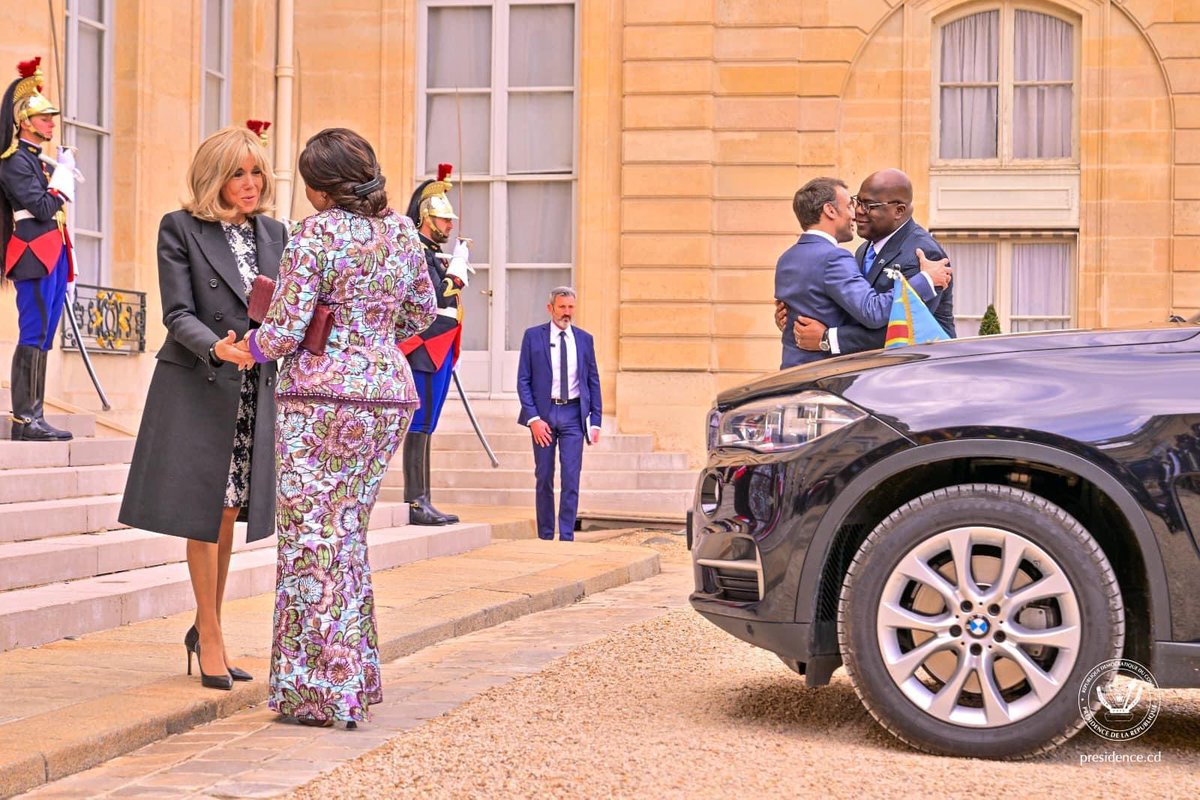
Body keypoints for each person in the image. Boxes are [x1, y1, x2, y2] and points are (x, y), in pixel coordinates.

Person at [242, 128, 436, 727]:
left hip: (322, 398)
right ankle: (354, 680)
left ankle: (321, 693)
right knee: (346, 537)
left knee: (312, 543)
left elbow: (282, 331)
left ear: (321, 188)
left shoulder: (314, 234)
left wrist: (241, 344)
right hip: (385, 394)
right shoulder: (402, 231)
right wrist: (370, 331)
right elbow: (423, 312)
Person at [119, 125, 285, 690]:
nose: (249, 183)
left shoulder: (276, 233)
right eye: (238, 172)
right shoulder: (181, 228)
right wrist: (218, 346)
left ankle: (205, 625)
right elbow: (178, 313)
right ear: (215, 176)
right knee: (204, 507)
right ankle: (210, 633)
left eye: (256, 171)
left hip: (252, 388)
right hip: (201, 382)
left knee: (228, 511)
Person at [777, 177, 951, 368]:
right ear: (830, 210)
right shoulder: (856, 252)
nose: (858, 212)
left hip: (914, 372)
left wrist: (828, 338)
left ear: (898, 211)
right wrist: (795, 316)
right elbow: (864, 310)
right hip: (830, 376)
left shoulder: (924, 253)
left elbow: (909, 327)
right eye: (855, 203)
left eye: (869, 205)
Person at [0, 57, 76, 441]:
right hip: (34, 255)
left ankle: (37, 416)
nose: (50, 123)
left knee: (45, 334)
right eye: (44, 118)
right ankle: (24, 421)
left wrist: (56, 173)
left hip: (53, 252)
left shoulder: (38, 163)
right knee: (34, 331)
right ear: (25, 121)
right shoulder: (14, 163)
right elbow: (46, 207)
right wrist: (62, 178)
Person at [399, 163, 470, 525]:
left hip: (440, 347)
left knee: (428, 425)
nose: (449, 226)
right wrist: (456, 273)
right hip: (425, 348)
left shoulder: (430, 253)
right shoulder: (419, 253)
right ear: (427, 217)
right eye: (444, 220)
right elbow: (429, 301)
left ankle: (424, 498)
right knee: (420, 423)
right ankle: (415, 502)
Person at [515, 287, 602, 542]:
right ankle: (545, 535)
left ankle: (566, 536)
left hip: (574, 415)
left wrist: (595, 420)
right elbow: (523, 380)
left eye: (571, 307)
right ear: (550, 308)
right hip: (543, 415)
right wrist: (533, 419)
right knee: (543, 475)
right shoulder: (533, 337)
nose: (567, 313)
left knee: (571, 476)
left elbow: (593, 380)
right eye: (562, 307)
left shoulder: (585, 339)